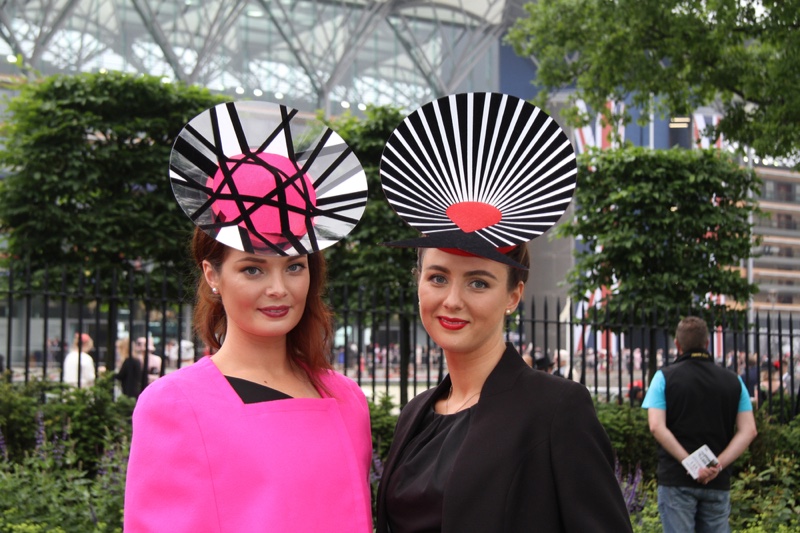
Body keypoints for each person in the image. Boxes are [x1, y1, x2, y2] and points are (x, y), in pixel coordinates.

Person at [375, 92, 632, 532]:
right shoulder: (415, 414)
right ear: (418, 282)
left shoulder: (556, 410)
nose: (452, 299)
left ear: (514, 295)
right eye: (438, 277)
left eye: (478, 282)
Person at [124, 100, 372, 532]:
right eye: (253, 268)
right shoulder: (173, 407)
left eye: (295, 265)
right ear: (212, 274)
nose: (279, 288)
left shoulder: (348, 400)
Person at [642, 316, 758, 533]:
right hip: (717, 481)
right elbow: (749, 430)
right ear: (707, 343)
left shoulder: (663, 377)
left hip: (676, 478)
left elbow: (656, 426)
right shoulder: (734, 381)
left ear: (677, 344)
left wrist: (690, 463)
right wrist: (717, 465)